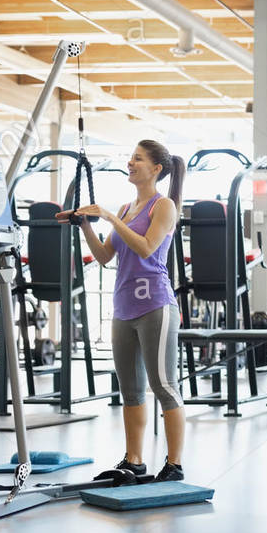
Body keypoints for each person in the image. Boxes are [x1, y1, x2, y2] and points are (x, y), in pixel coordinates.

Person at [60, 140, 186, 481]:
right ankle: (134, 459)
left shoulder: (164, 207)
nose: (130, 162)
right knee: (129, 390)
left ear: (156, 168)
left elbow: (146, 248)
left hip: (156, 307)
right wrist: (85, 224)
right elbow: (103, 257)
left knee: (164, 386)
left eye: (138, 158)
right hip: (123, 308)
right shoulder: (128, 207)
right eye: (131, 157)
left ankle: (174, 464)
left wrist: (110, 217)